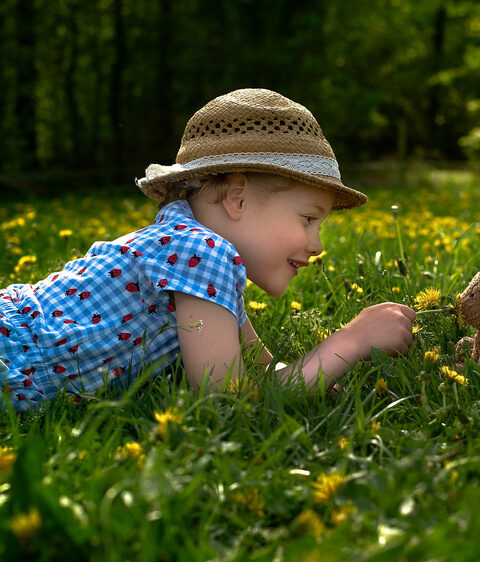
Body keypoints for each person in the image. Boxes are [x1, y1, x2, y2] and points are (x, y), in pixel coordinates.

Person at [0, 88, 416, 413]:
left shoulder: (191, 254)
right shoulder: (203, 252)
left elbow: (264, 374)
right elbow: (230, 402)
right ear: (237, 199)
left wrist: (320, 376)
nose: (317, 245)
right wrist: (351, 340)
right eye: (308, 219)